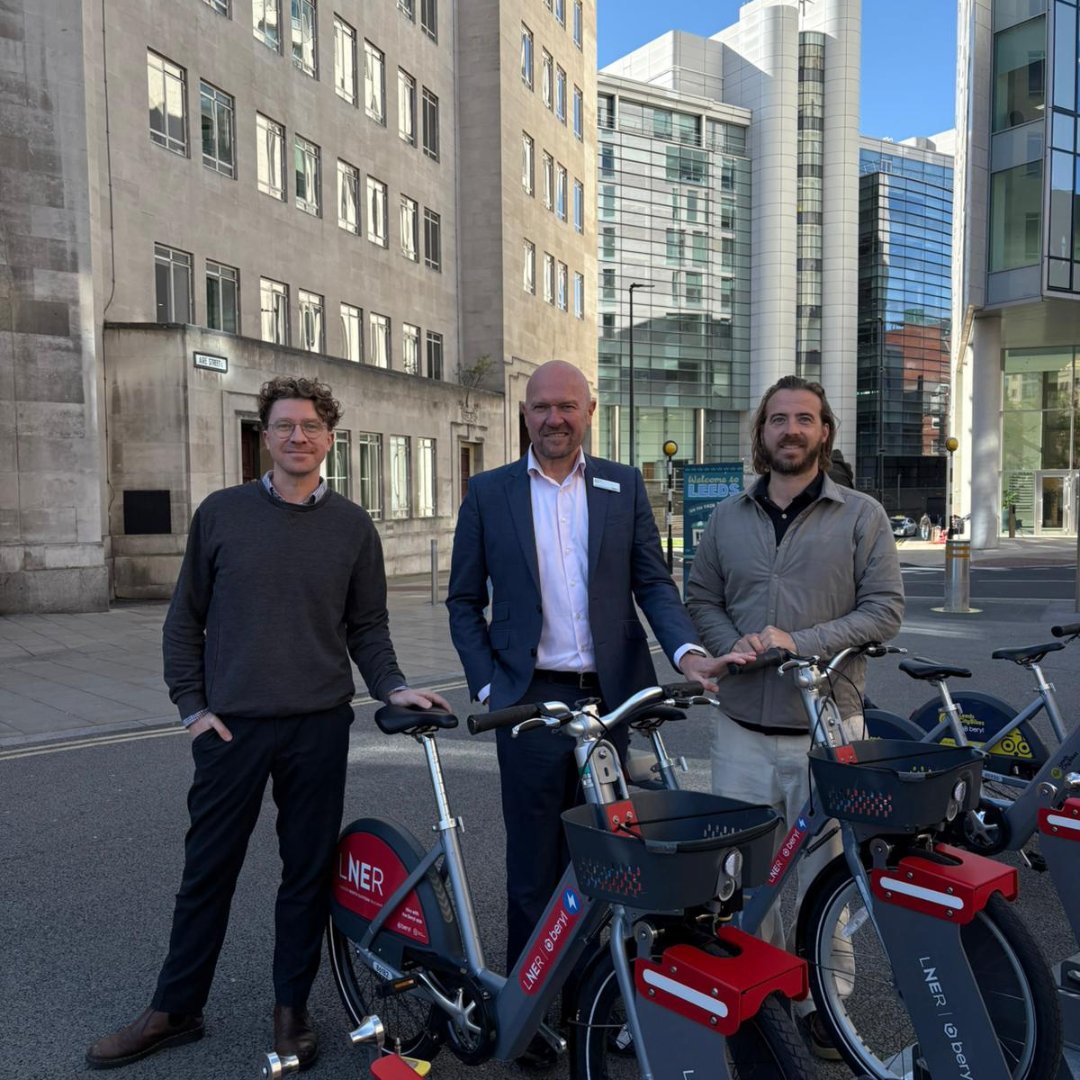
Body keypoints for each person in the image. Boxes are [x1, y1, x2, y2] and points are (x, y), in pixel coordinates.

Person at [86, 376, 449, 1072]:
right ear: (266, 435)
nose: (296, 437)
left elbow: (367, 627)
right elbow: (182, 622)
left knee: (306, 875)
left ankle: (291, 1010)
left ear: (329, 438)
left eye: (310, 426)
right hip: (233, 731)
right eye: (283, 425)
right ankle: (174, 1009)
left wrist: (394, 687)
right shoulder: (221, 515)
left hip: (318, 724)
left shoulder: (351, 526)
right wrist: (193, 709)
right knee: (207, 871)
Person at [446, 361, 737, 994]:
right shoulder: (490, 492)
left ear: (589, 413)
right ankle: (532, 1002)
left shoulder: (622, 486)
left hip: (610, 701)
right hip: (527, 699)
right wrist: (492, 686)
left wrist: (686, 652)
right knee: (533, 861)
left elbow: (654, 583)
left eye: (567, 406)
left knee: (608, 854)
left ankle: (595, 993)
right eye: (541, 406)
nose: (553, 418)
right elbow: (463, 602)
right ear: (524, 414)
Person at [685, 373, 904, 1060]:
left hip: (830, 732)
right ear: (762, 433)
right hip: (742, 729)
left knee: (831, 880)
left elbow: (885, 610)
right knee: (750, 880)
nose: (790, 430)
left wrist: (794, 643)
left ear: (824, 431)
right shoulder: (726, 518)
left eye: (803, 419)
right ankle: (772, 993)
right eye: (778, 419)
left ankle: (825, 1006)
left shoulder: (861, 515)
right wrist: (736, 648)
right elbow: (701, 599)